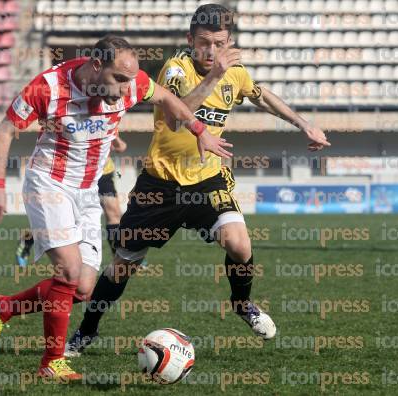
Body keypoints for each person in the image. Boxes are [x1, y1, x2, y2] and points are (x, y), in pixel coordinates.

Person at [65, 4, 330, 357]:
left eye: (220, 43)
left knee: (239, 244)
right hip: (159, 185)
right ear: (190, 40)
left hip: (208, 182)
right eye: (204, 42)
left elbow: (260, 94)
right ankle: (86, 330)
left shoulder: (234, 73)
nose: (212, 51)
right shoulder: (177, 69)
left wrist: (304, 124)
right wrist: (213, 77)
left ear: (229, 41)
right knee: (123, 265)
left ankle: (242, 303)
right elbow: (176, 117)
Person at [0, 35, 232, 380]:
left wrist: (199, 130)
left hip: (87, 191)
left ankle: (3, 307)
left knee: (81, 288)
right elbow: (5, 131)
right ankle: (52, 362)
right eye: (120, 80)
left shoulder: (133, 83)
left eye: (131, 80)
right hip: (49, 185)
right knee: (68, 271)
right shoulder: (48, 87)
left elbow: (169, 99)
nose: (129, 89)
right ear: (96, 66)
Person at [15, 135, 127, 267]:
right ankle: (28, 239)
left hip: (103, 173)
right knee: (68, 219)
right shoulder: (74, 119)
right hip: (76, 174)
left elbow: (121, 147)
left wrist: (113, 139)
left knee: (114, 213)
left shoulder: (107, 117)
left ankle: (121, 259)